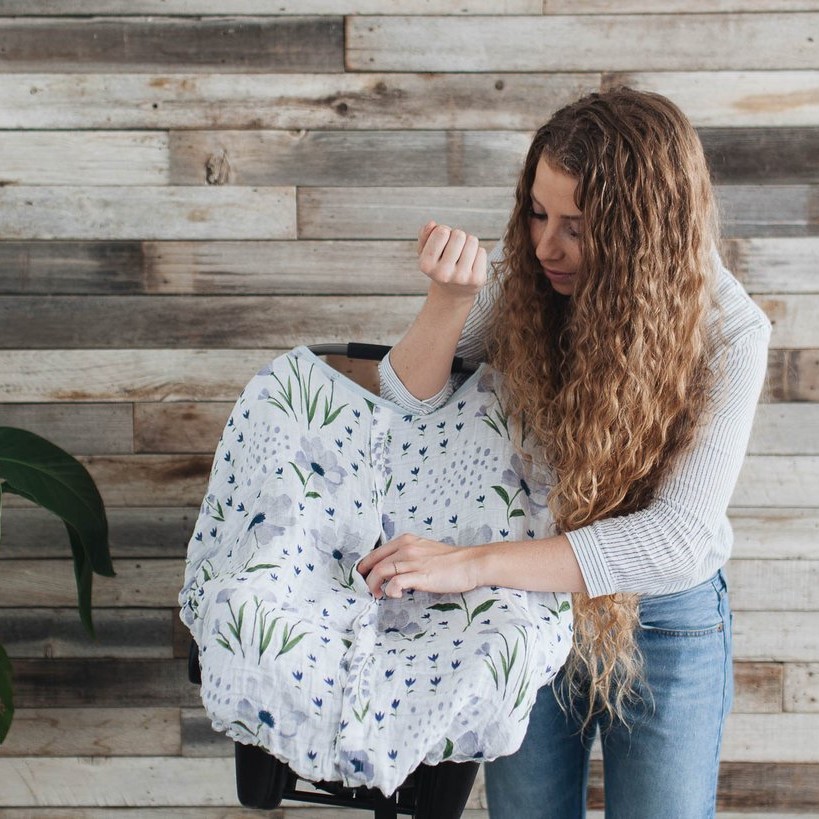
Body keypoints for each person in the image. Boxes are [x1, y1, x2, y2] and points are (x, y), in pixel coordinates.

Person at [356, 87, 771, 818]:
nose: (546, 246)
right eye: (538, 214)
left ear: (643, 230)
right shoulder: (529, 278)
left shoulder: (729, 331)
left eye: (577, 227)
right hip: (526, 610)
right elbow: (397, 404)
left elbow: (674, 539)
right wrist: (446, 303)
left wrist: (470, 563)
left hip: (663, 620)